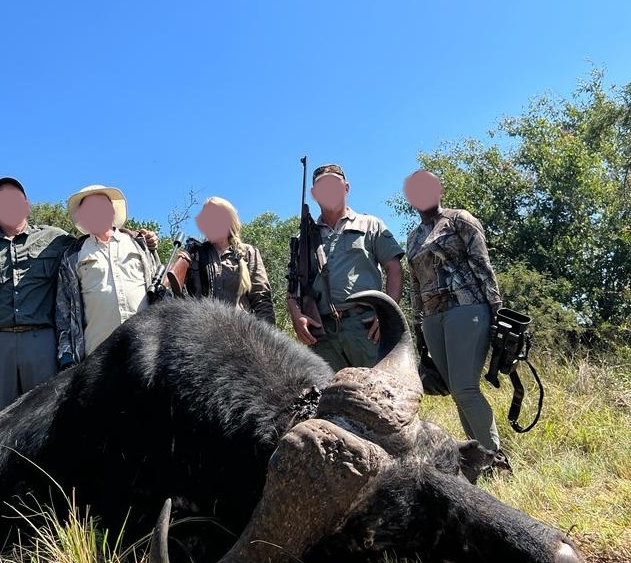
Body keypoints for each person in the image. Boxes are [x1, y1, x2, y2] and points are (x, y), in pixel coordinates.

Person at [404, 169, 509, 467]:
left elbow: (482, 265)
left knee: (465, 388)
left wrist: (496, 309)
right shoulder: (413, 237)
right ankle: (477, 461)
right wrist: (418, 327)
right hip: (432, 318)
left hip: (467, 307)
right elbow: (415, 283)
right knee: (457, 392)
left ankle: (495, 459)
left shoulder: (459, 219)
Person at [286, 163, 404, 369]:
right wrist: (297, 317)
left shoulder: (371, 225)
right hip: (322, 334)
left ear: (346, 188)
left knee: (380, 395)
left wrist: (389, 315)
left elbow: (394, 268)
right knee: (331, 398)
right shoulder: (302, 240)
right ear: (314, 194)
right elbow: (292, 288)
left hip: (366, 328)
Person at [55, 184, 160, 368]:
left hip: (146, 350)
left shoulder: (140, 245)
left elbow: (162, 295)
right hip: (97, 356)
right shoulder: (72, 256)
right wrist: (66, 355)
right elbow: (63, 310)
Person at [182, 196, 275, 325]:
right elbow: (178, 296)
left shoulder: (249, 252)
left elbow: (261, 299)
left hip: (242, 333)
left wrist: (267, 339)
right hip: (202, 334)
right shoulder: (194, 254)